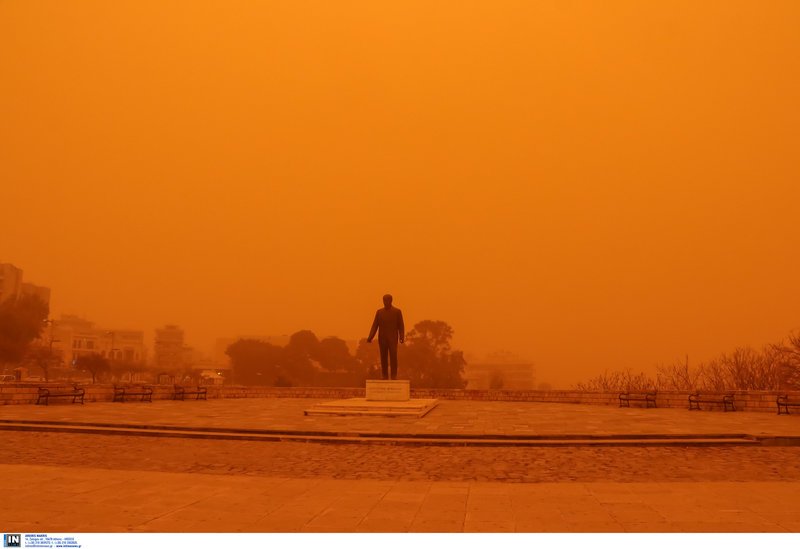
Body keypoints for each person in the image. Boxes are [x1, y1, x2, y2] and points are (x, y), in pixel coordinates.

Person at [366, 294, 405, 380]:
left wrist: (401, 336)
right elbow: (375, 325)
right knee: (383, 357)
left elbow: (401, 325)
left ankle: (394, 375)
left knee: (393, 356)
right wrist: (370, 337)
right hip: (382, 338)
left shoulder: (397, 312)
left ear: (391, 301)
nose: (385, 302)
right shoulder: (379, 312)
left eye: (387, 300)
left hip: (393, 338)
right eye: (384, 300)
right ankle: (384, 375)